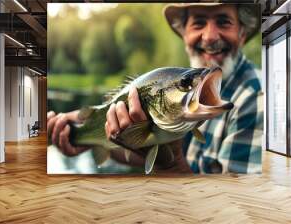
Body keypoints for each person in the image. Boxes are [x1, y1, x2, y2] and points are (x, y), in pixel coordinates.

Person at [48, 3, 263, 174]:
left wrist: (169, 165)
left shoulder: (256, 98)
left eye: (224, 22)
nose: (210, 36)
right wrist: (88, 138)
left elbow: (231, 206)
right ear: (185, 35)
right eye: (198, 24)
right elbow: (148, 144)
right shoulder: (190, 106)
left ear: (242, 34)